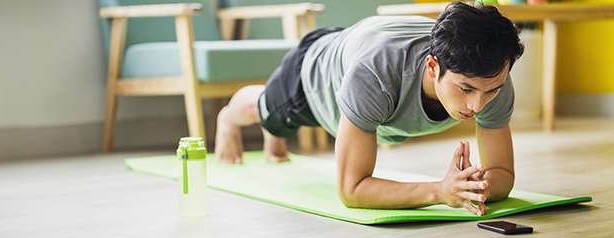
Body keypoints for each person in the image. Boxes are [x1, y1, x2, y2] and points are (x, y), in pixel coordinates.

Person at [214, 1, 524, 216]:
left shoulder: (492, 76)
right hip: (313, 74)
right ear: (432, 66)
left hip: (359, 48)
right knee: (266, 110)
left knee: (277, 128)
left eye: (491, 91)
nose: (478, 104)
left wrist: (472, 186)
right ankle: (228, 117)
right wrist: (440, 191)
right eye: (465, 89)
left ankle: (275, 136)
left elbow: (503, 174)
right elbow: (352, 190)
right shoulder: (375, 73)